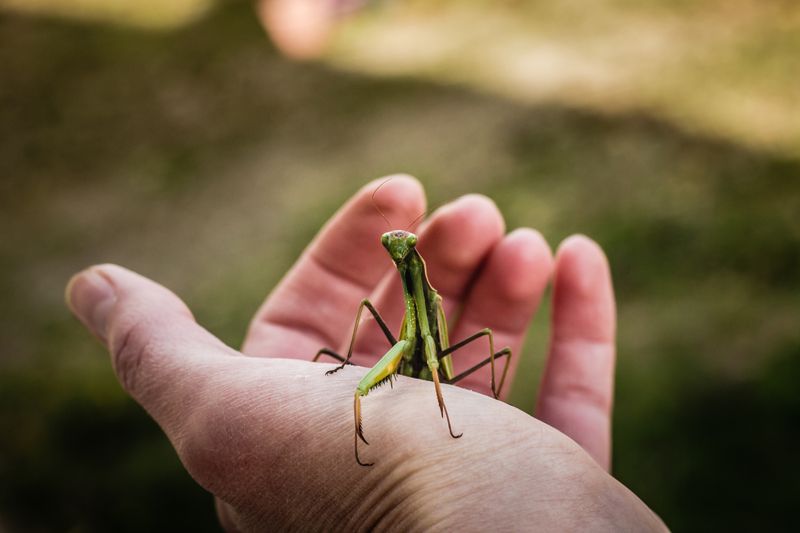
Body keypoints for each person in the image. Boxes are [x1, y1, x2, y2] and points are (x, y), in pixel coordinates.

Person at [66, 176, 667, 530]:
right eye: (394, 242)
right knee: (365, 338)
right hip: (410, 352)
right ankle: (357, 367)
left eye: (400, 242)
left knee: (486, 344)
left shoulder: (425, 285)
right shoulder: (403, 287)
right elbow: (404, 332)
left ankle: (435, 403)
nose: (394, 245)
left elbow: (427, 344)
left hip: (441, 364)